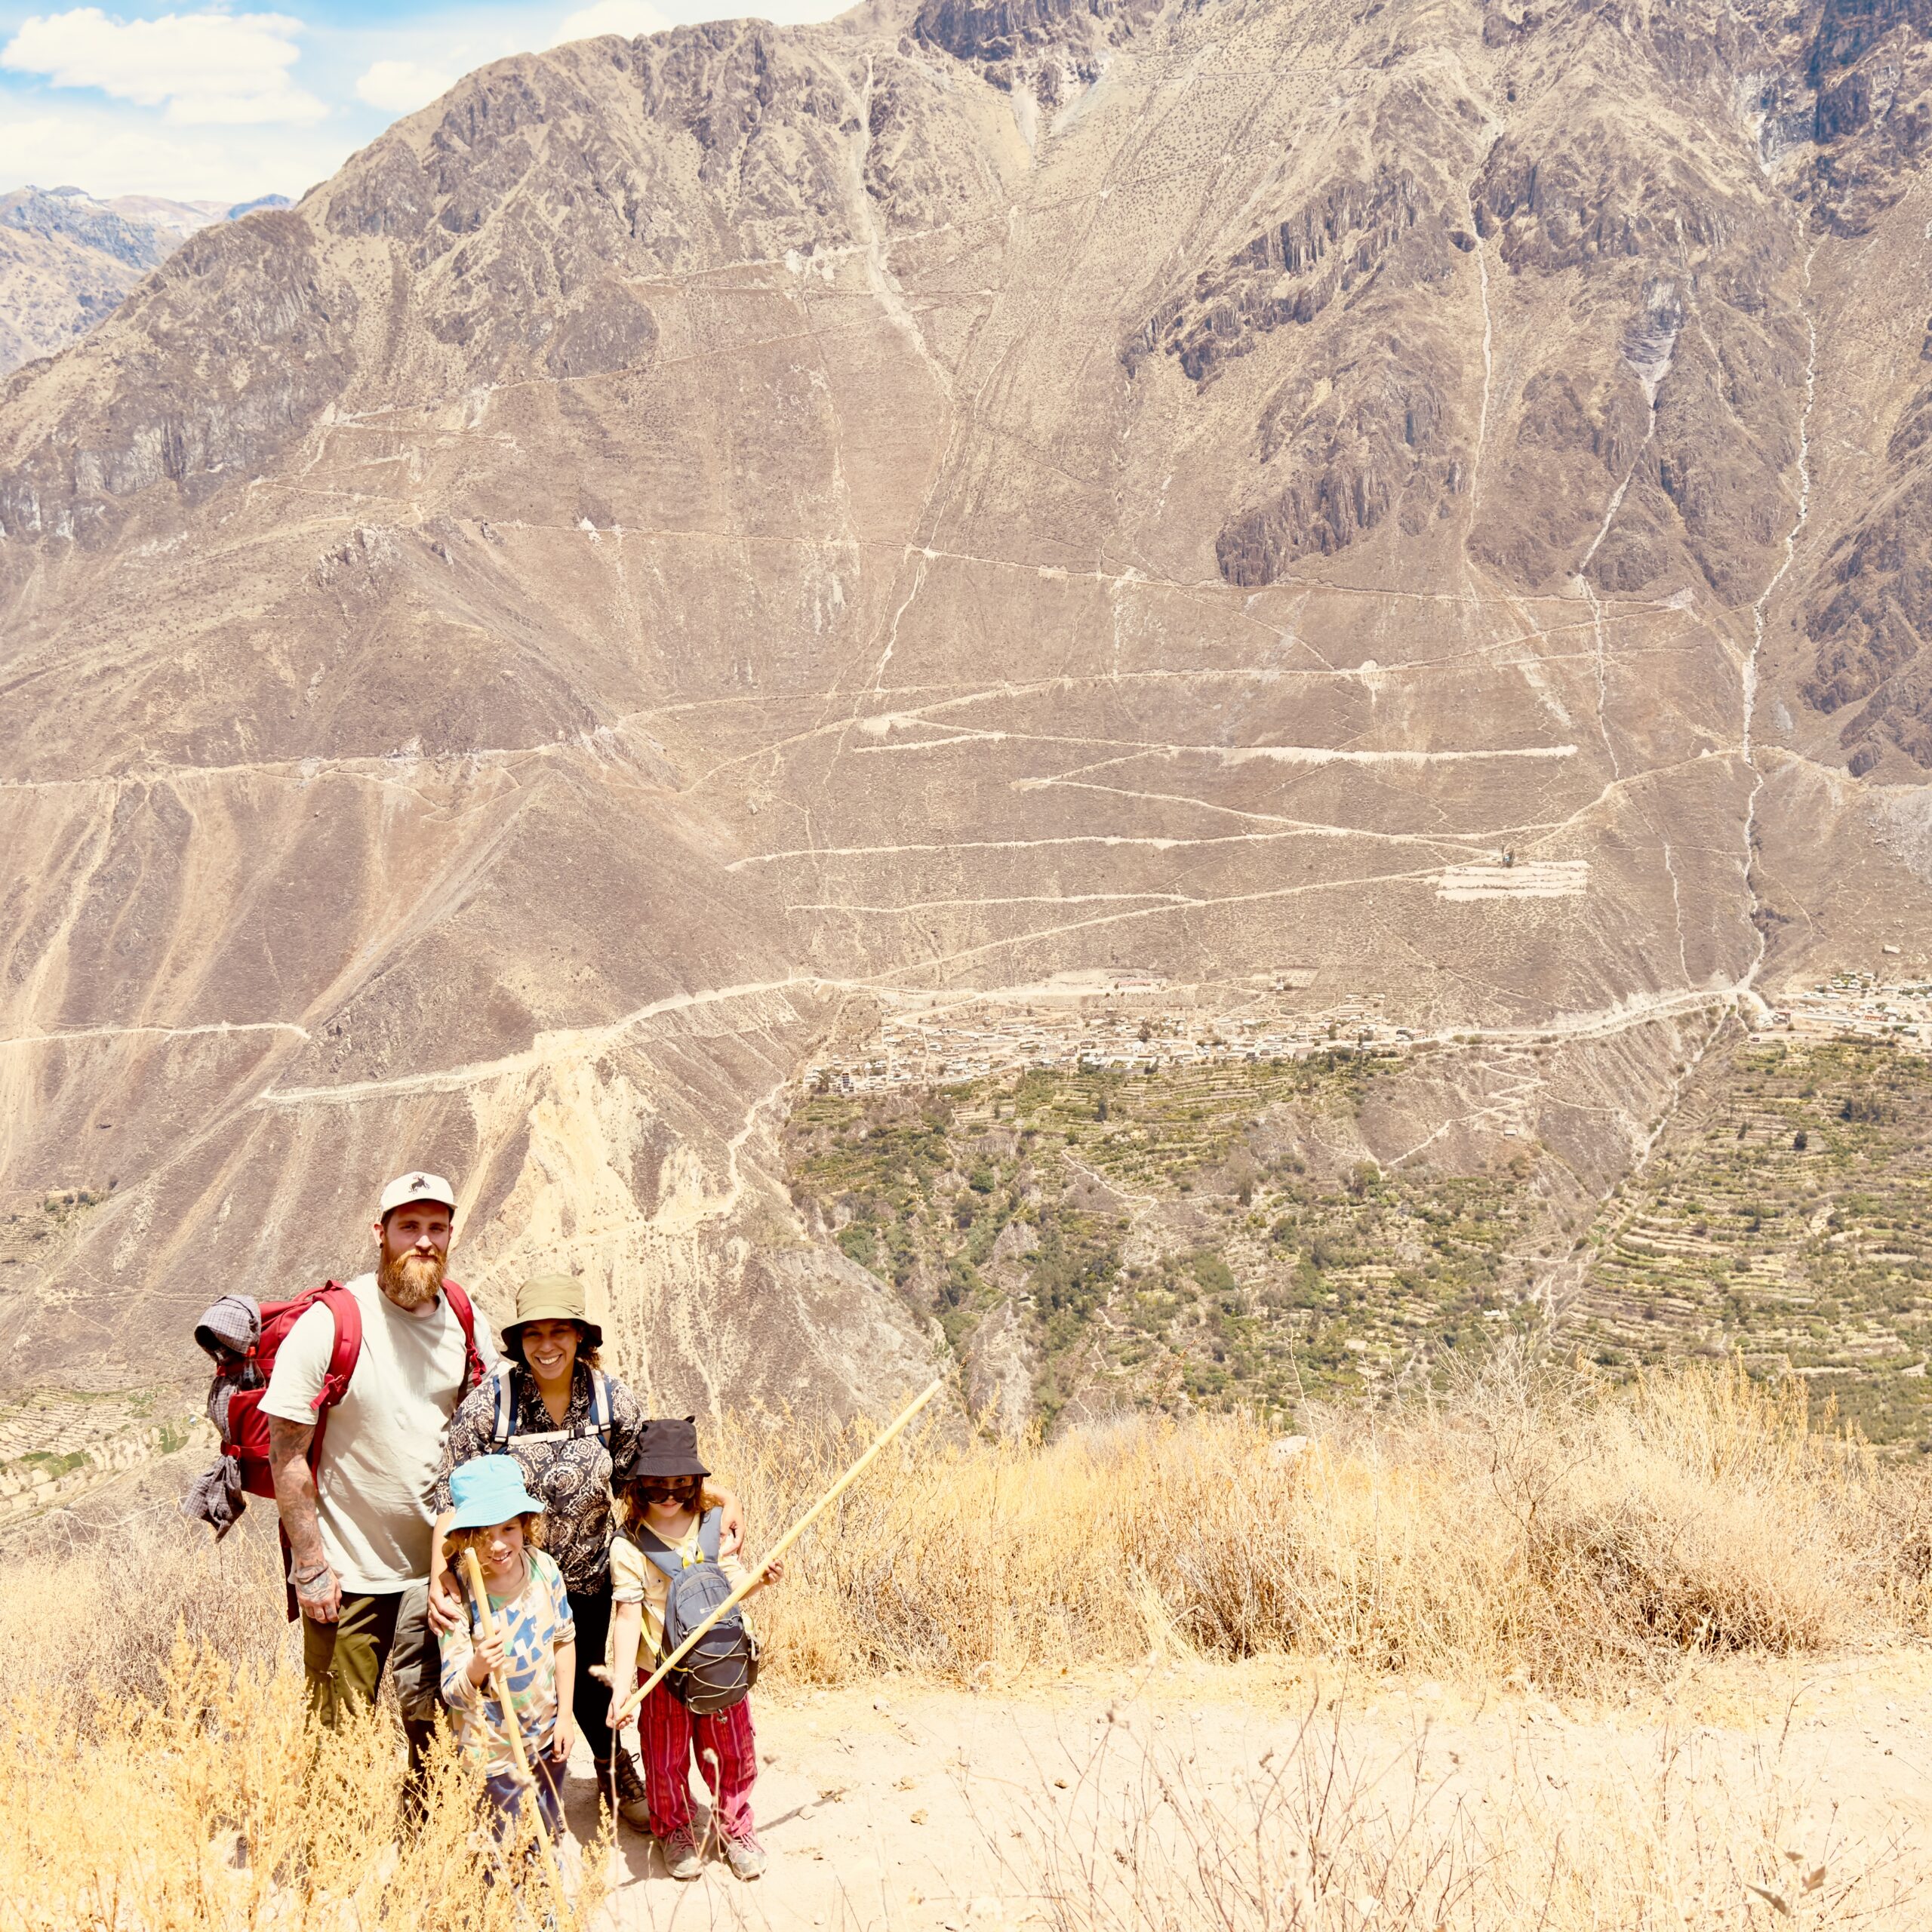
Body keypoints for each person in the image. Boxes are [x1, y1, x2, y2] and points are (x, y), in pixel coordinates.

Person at [427, 1273, 746, 1829]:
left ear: (581, 1337)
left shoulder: (611, 1400)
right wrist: (441, 1574)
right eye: (534, 1335)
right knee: (513, 1676)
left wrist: (722, 1496)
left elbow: (642, 1476)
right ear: (519, 1341)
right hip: (511, 1573)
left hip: (595, 1569)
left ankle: (610, 1764)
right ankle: (498, 1790)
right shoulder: (490, 1407)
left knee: (592, 1675)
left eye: (559, 1332)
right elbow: (449, 1493)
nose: (546, 1346)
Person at [262, 1171, 492, 1790]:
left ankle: (425, 1847)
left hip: (438, 1569)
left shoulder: (467, 1320)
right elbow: (286, 1453)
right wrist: (310, 1564)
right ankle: (330, 1858)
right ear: (380, 1233)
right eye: (408, 1226)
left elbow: (488, 1436)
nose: (423, 1241)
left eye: (436, 1228)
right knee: (336, 1726)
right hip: (350, 1571)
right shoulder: (330, 1324)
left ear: (449, 1236)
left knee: (436, 1724)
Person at [607, 1419, 780, 1882]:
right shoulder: (628, 1548)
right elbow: (626, 1618)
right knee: (664, 1759)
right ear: (637, 1486)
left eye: (681, 1485)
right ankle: (676, 1829)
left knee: (732, 1751)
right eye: (656, 1485)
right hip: (660, 1673)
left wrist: (758, 1582)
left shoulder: (714, 1526)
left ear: (696, 1483)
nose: (669, 1496)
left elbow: (732, 1582)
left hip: (721, 1664)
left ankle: (735, 1826)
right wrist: (622, 1689)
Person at [436, 1456, 574, 1850]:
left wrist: (565, 1717)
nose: (497, 1545)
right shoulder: (458, 1596)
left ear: (525, 1526)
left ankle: (543, 1887)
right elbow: (453, 1691)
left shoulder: (545, 1569)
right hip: (492, 1750)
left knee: (545, 1826)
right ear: (463, 1538)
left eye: (508, 1528)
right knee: (503, 1843)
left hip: (547, 1735)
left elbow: (564, 1641)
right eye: (482, 1534)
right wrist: (478, 1665)